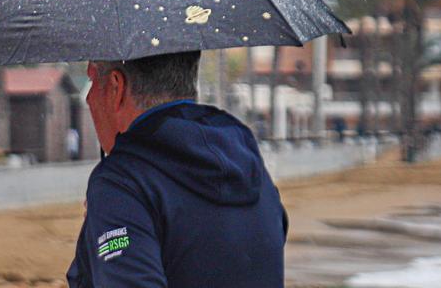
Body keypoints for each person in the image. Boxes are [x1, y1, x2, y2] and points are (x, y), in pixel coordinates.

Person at [67, 51, 288, 288]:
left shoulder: (123, 182)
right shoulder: (247, 161)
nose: (88, 99)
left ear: (116, 87)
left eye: (91, 80)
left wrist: (112, 205)